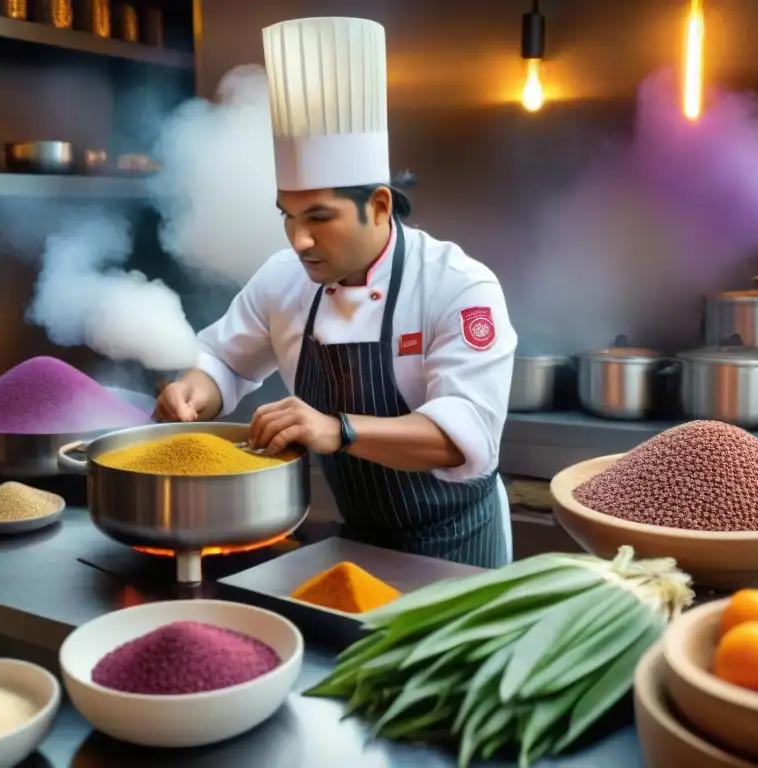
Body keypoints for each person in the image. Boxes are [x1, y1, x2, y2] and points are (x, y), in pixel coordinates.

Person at [156, 17, 517, 568]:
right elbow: (223, 360)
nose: (300, 239)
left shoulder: (459, 286)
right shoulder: (283, 278)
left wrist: (337, 429)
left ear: (378, 204)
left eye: (320, 217)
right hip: (357, 539)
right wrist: (193, 391)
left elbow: (462, 437)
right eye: (289, 216)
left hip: (459, 542)